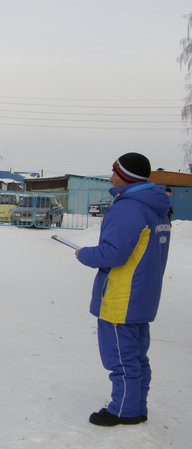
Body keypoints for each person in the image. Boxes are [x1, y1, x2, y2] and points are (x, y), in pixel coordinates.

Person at [76, 152, 171, 427]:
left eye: (115, 173)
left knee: (120, 357)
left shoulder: (129, 208)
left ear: (127, 177)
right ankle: (136, 406)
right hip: (143, 296)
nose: (111, 177)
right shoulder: (156, 207)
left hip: (122, 296)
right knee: (137, 356)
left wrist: (84, 254)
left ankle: (124, 410)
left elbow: (113, 254)